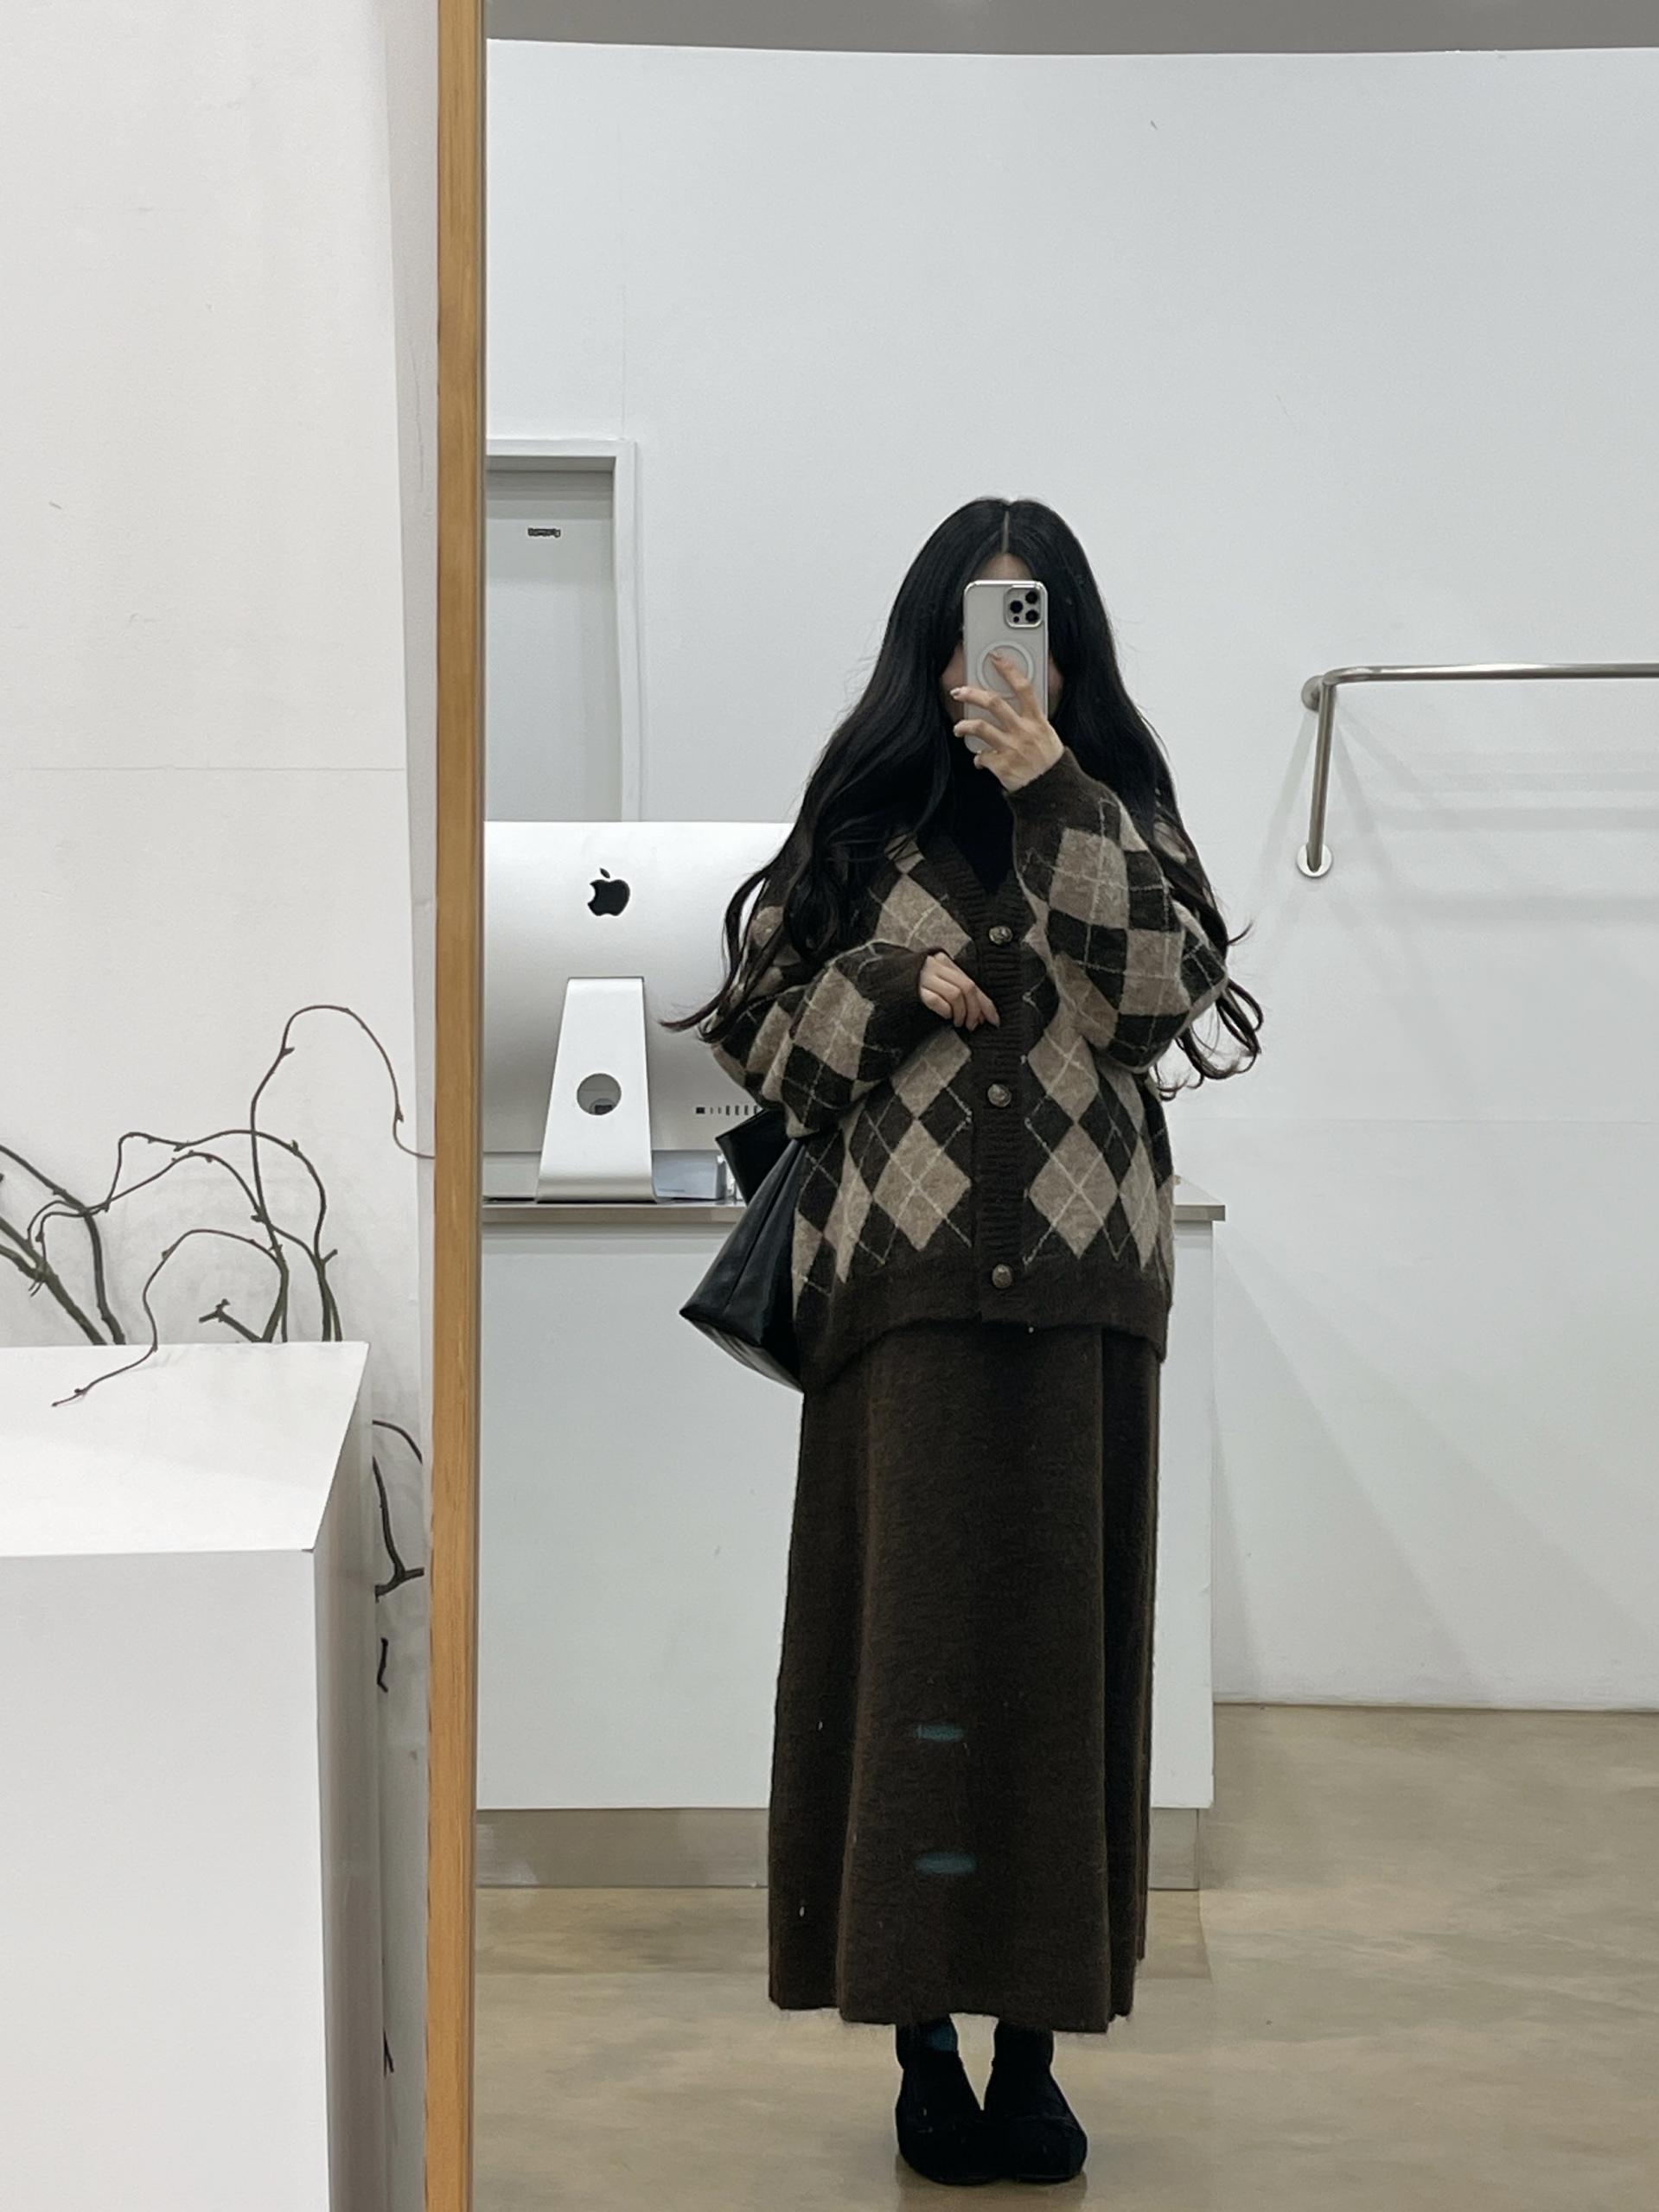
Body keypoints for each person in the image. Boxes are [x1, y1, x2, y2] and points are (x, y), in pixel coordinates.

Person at [674, 497, 1261, 2186]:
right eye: (968, 629)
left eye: (1028, 626)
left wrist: (1056, 792)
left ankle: (1037, 2045)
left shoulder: (1121, 811)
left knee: (1061, 1676)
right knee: (913, 1672)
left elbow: (1157, 1003)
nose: (991, 664)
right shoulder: (864, 823)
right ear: (925, 644)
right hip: (903, 1303)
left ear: (1069, 651)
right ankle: (923, 2039)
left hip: (1087, 1304)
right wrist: (883, 980)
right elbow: (768, 1048)